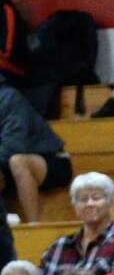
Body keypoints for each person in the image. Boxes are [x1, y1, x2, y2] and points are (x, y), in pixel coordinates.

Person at [38, 173, 114, 275]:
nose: (89, 204)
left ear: (110, 202)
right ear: (75, 206)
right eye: (83, 199)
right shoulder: (58, 246)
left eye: (96, 198)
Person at [0, 84, 71, 223]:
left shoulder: (9, 97)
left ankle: (35, 226)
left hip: (50, 158)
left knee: (17, 161)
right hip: (6, 164)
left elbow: (14, 143)